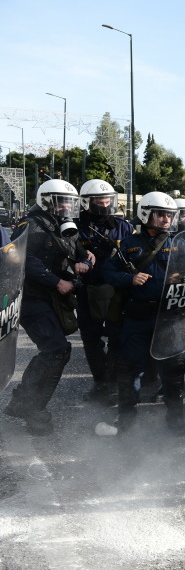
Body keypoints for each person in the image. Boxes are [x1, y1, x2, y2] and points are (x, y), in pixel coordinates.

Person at [3, 180, 92, 434]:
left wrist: (85, 262)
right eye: (61, 201)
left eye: (69, 202)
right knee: (56, 349)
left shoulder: (65, 224)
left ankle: (24, 401)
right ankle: (33, 408)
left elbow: (80, 252)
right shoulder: (31, 224)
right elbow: (23, 256)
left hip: (54, 298)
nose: (66, 206)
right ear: (46, 200)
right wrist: (55, 281)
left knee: (56, 350)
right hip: (32, 297)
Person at [103, 192, 185, 435]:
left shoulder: (180, 243)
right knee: (129, 367)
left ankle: (176, 419)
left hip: (170, 315)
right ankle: (126, 417)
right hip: (138, 316)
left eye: (169, 215)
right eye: (161, 214)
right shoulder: (128, 245)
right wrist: (129, 278)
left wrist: (183, 277)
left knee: (174, 368)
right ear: (145, 214)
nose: (166, 219)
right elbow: (107, 272)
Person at [75, 179, 134, 405]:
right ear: (86, 202)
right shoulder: (75, 226)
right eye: (99, 201)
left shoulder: (123, 226)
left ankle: (112, 383)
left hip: (117, 291)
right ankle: (100, 382)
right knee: (91, 338)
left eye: (107, 200)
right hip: (87, 290)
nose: (104, 204)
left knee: (117, 337)